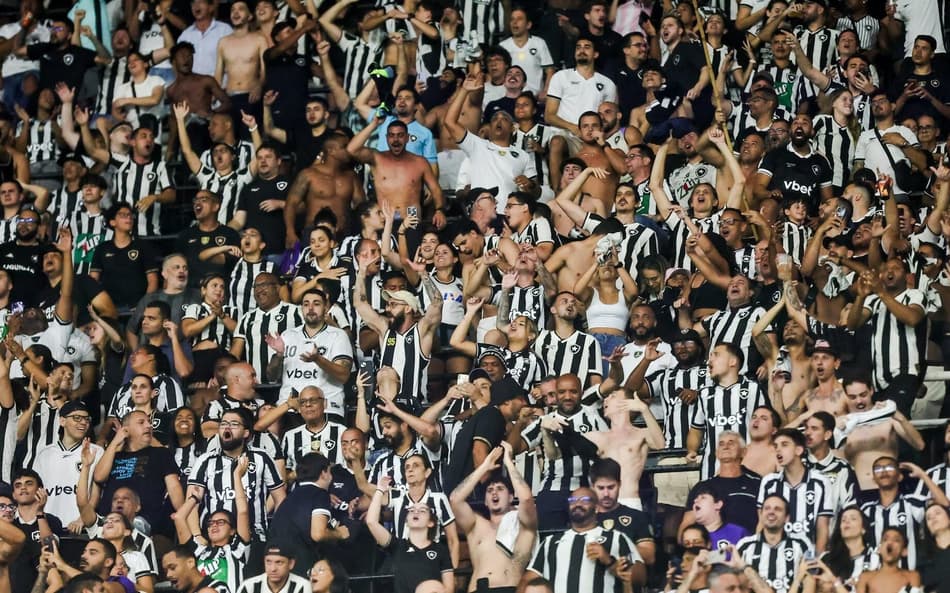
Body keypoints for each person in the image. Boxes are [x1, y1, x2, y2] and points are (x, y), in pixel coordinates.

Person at [450, 443, 537, 593]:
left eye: (500, 489)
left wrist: (509, 463)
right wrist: (484, 466)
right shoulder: (476, 524)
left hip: (509, 588)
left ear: (511, 497)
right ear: (485, 501)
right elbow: (455, 499)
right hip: (478, 589)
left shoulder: (522, 525)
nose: (494, 493)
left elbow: (527, 499)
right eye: (490, 490)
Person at [524, 486, 638, 593]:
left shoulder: (616, 538)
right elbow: (528, 581)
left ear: (597, 507)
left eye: (585, 500)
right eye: (572, 500)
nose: (577, 503)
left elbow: (639, 578)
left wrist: (608, 560)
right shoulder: (550, 542)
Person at [265, 288, 353, 415]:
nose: (310, 308)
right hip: (289, 408)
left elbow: (343, 375)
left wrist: (318, 359)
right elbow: (271, 377)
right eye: (306, 304)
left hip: (326, 408)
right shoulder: (287, 335)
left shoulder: (338, 335)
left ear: (326, 308)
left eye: (316, 304)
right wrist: (278, 356)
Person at [367, 475, 454, 593]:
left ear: (431, 522)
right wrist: (380, 490)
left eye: (422, 510)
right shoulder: (397, 546)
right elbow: (371, 522)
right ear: (407, 521)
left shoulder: (441, 550)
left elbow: (449, 589)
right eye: (411, 510)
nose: (416, 511)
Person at [267, 453, 347, 578]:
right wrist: (339, 533)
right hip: (301, 565)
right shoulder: (320, 494)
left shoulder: (290, 497)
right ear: (323, 473)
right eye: (330, 472)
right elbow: (318, 534)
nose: (331, 478)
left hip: (279, 565)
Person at [736, 494, 811, 593]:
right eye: (767, 508)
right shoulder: (744, 545)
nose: (771, 512)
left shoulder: (803, 543)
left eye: (777, 509)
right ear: (761, 514)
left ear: (787, 518)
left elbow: (810, 580)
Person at [235, 544, 310, 593]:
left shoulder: (302, 587)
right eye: (268, 562)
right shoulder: (249, 587)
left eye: (279, 562)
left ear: (291, 564)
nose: (273, 569)